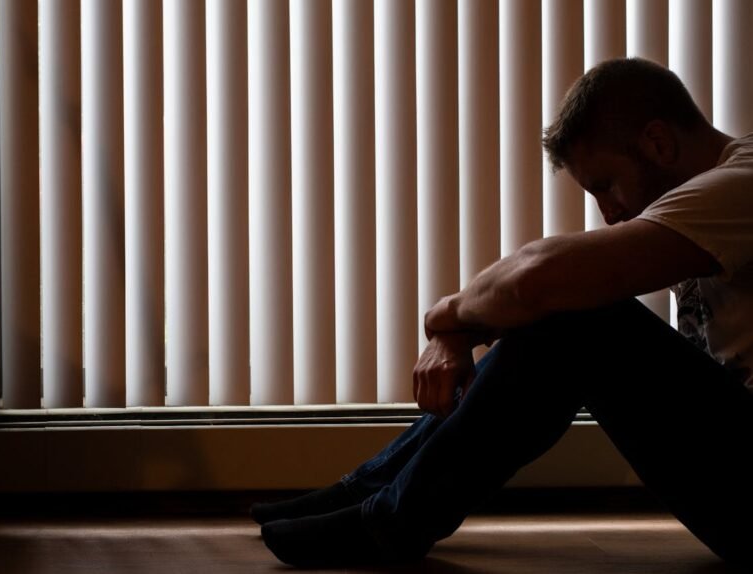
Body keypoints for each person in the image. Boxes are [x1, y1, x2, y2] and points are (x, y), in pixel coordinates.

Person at [253, 57, 753, 568]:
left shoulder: (744, 181)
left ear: (658, 143)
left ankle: (387, 522)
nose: (608, 214)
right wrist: (459, 332)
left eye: (605, 184)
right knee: (570, 306)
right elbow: (535, 283)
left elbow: (536, 277)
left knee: (582, 316)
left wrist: (446, 319)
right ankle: (366, 495)